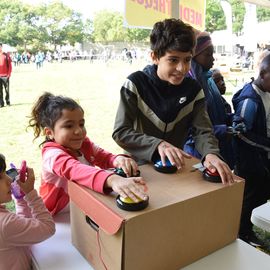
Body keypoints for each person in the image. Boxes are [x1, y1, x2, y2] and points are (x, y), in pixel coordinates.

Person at [112, 18, 234, 185]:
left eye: (187, 60)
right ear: (154, 57)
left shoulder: (194, 89)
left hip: (175, 170)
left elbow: (203, 130)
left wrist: (210, 153)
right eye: (173, 60)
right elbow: (121, 132)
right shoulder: (135, 84)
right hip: (138, 171)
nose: (182, 68)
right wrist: (157, 145)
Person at [28, 92, 148, 215]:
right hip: (58, 217)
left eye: (81, 124)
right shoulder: (52, 155)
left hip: (82, 205)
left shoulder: (84, 144)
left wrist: (117, 159)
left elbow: (104, 157)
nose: (78, 131)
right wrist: (112, 179)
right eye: (69, 126)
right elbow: (74, 169)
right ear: (49, 133)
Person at [232, 53, 270, 247]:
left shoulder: (265, 93)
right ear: (263, 73)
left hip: (261, 159)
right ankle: (242, 232)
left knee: (261, 193)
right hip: (250, 161)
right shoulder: (250, 100)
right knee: (249, 197)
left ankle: (250, 227)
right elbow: (240, 133)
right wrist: (266, 144)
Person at [185, 31, 235, 169]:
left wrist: (232, 118)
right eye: (208, 54)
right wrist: (222, 130)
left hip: (217, 146)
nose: (213, 59)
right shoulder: (189, 85)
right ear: (194, 55)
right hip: (198, 153)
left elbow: (219, 109)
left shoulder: (209, 80)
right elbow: (189, 129)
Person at [0, 153, 55, 270]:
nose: (9, 180)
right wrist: (31, 194)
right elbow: (47, 227)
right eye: (1, 177)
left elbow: (19, 229)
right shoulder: (5, 224)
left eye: (6, 173)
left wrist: (21, 199)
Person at [0, 43, 12, 107]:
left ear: (1, 47)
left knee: (7, 90)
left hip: (5, 76)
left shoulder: (6, 55)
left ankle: (8, 102)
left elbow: (10, 66)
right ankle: (1, 103)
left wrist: (8, 74)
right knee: (0, 91)